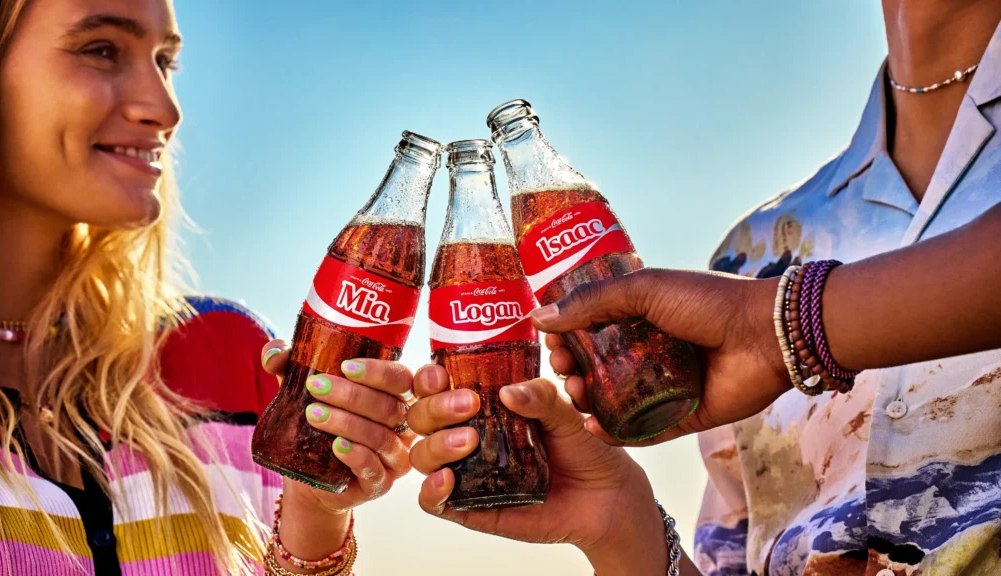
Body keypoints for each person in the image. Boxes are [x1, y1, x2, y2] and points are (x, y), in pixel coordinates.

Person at [407, 1, 1001, 574]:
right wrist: (617, 519)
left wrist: (781, 326)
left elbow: (768, 324)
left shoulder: (751, 294)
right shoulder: (756, 251)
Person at [0, 1, 414, 574]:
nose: (165, 109)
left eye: (165, 62)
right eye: (101, 50)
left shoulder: (228, 356)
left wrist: (313, 517)